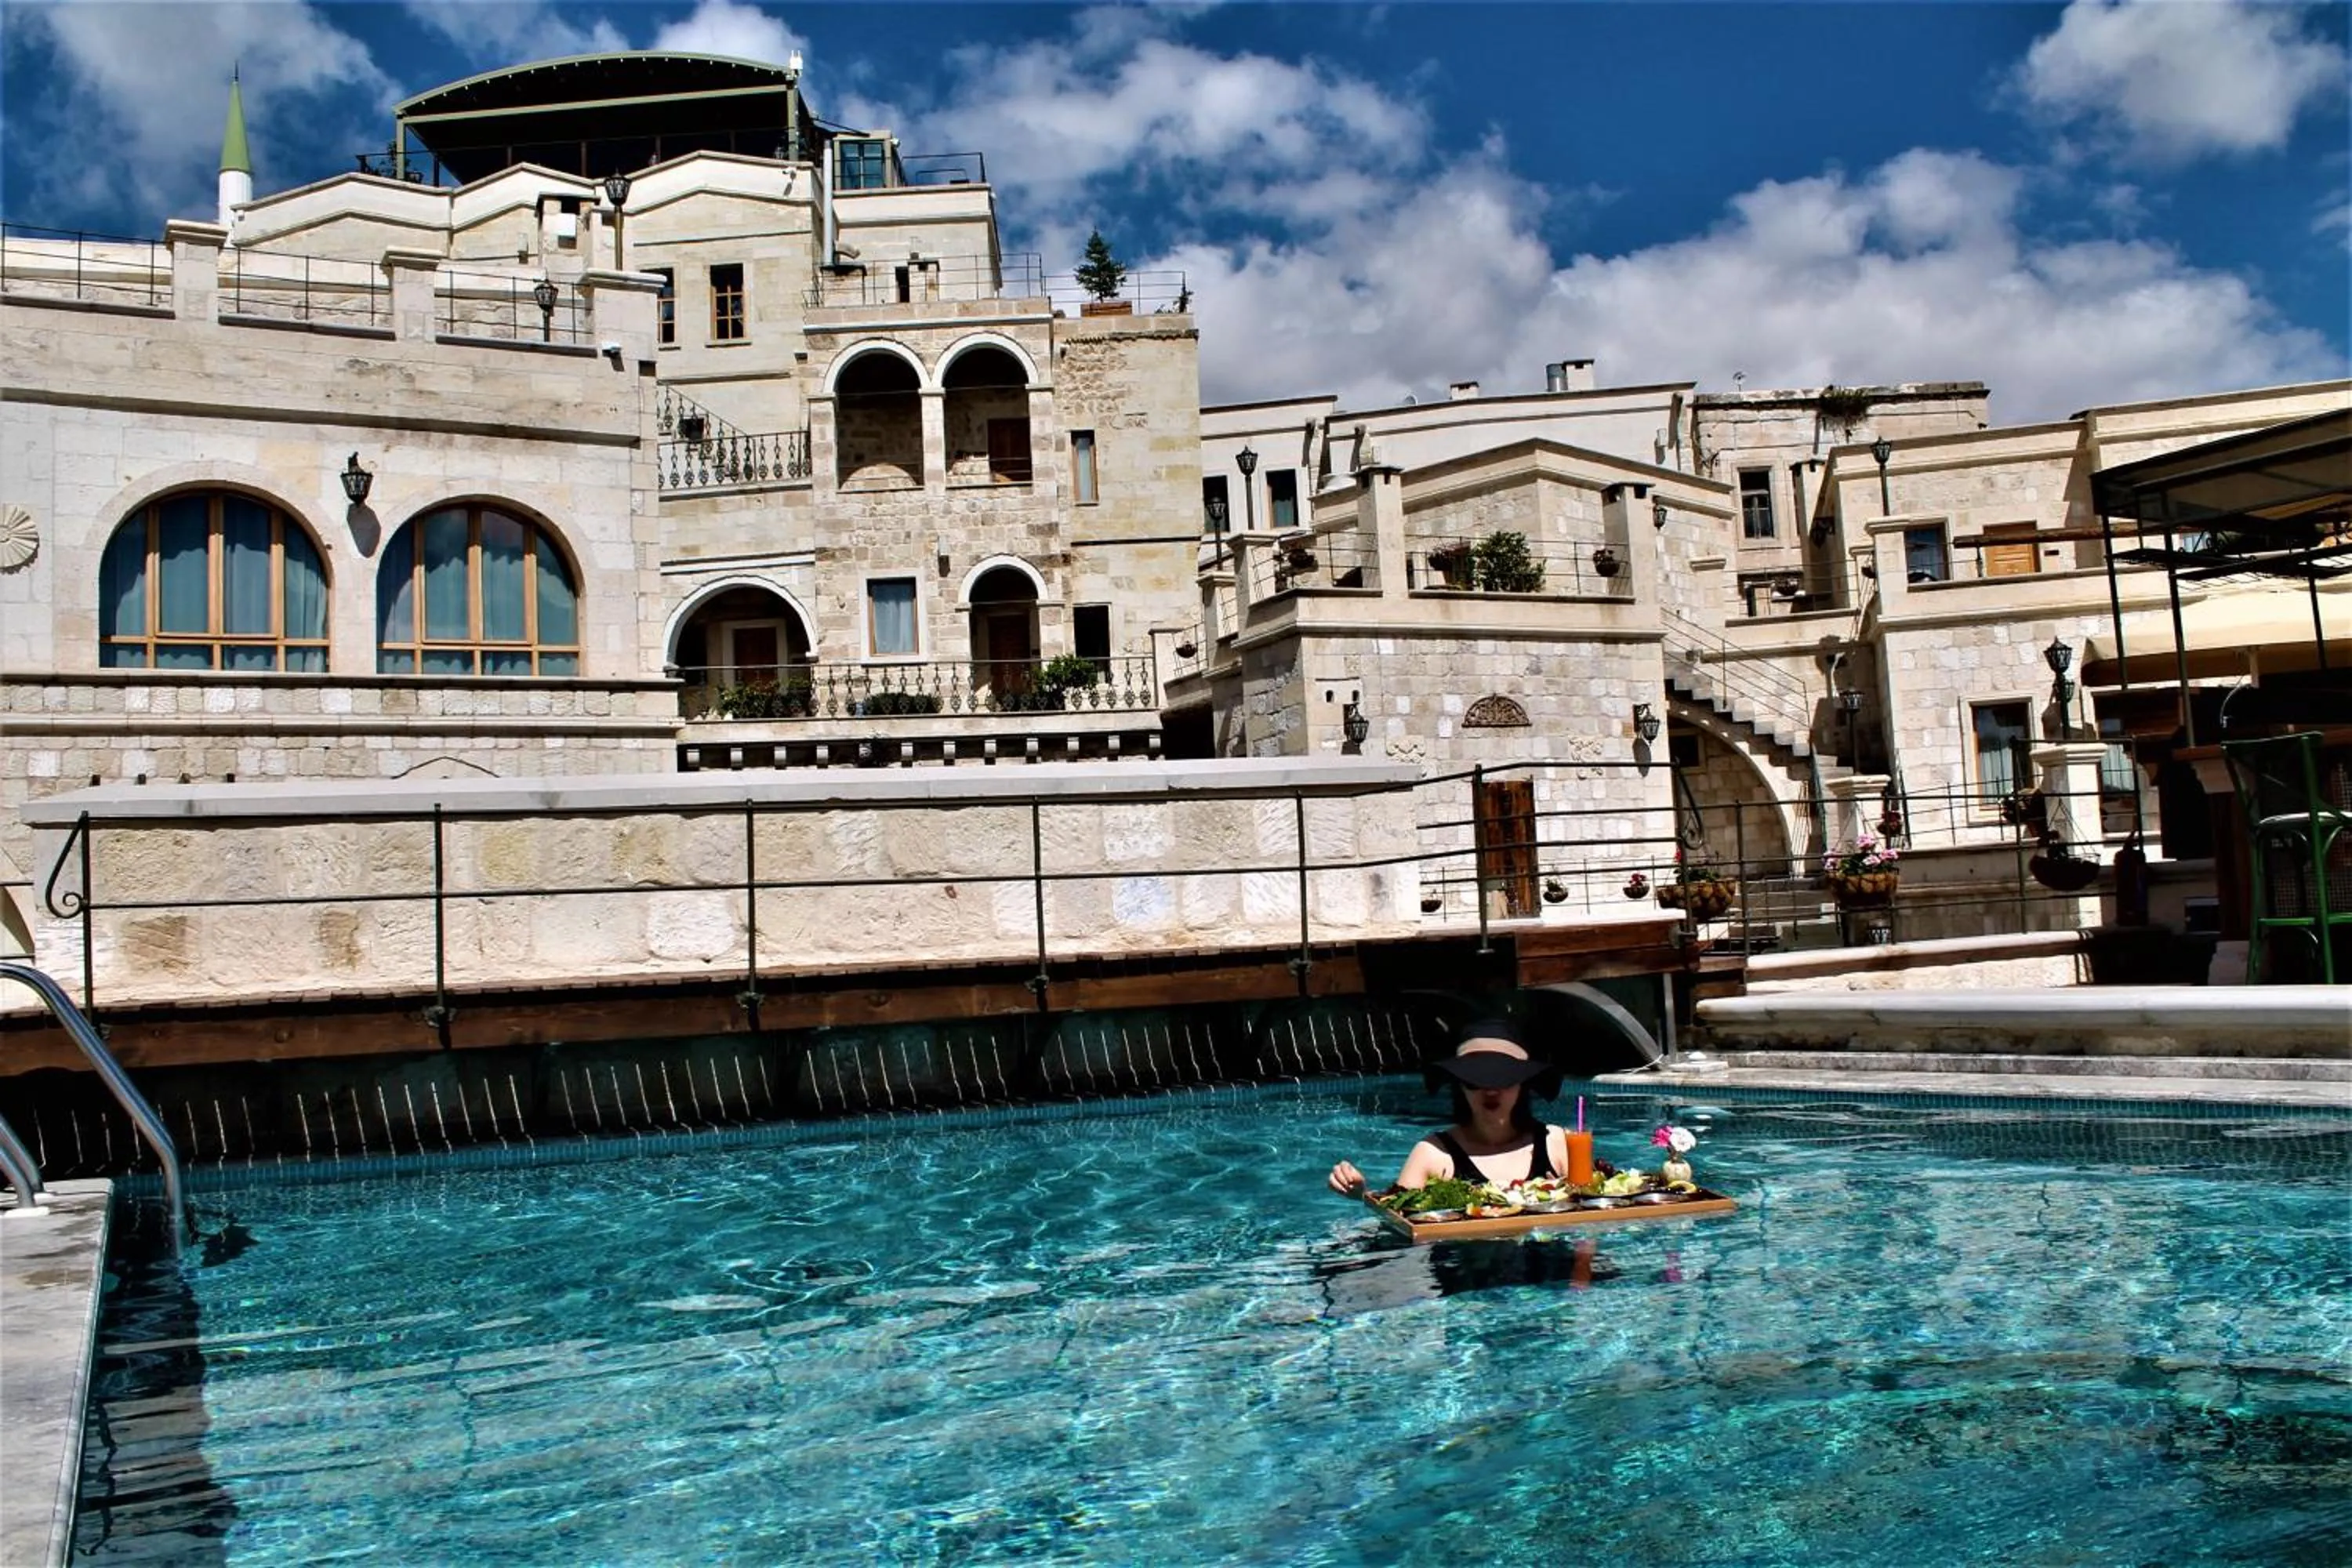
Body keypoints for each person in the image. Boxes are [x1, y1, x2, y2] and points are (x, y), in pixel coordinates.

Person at [1327, 1021, 1570, 1197]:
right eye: (1476, 1081)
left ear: (1522, 1085)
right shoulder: (1433, 1154)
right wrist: (1363, 1195)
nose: (1490, 1091)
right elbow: (1399, 1221)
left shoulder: (1557, 1144)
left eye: (1503, 1080)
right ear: (1460, 1086)